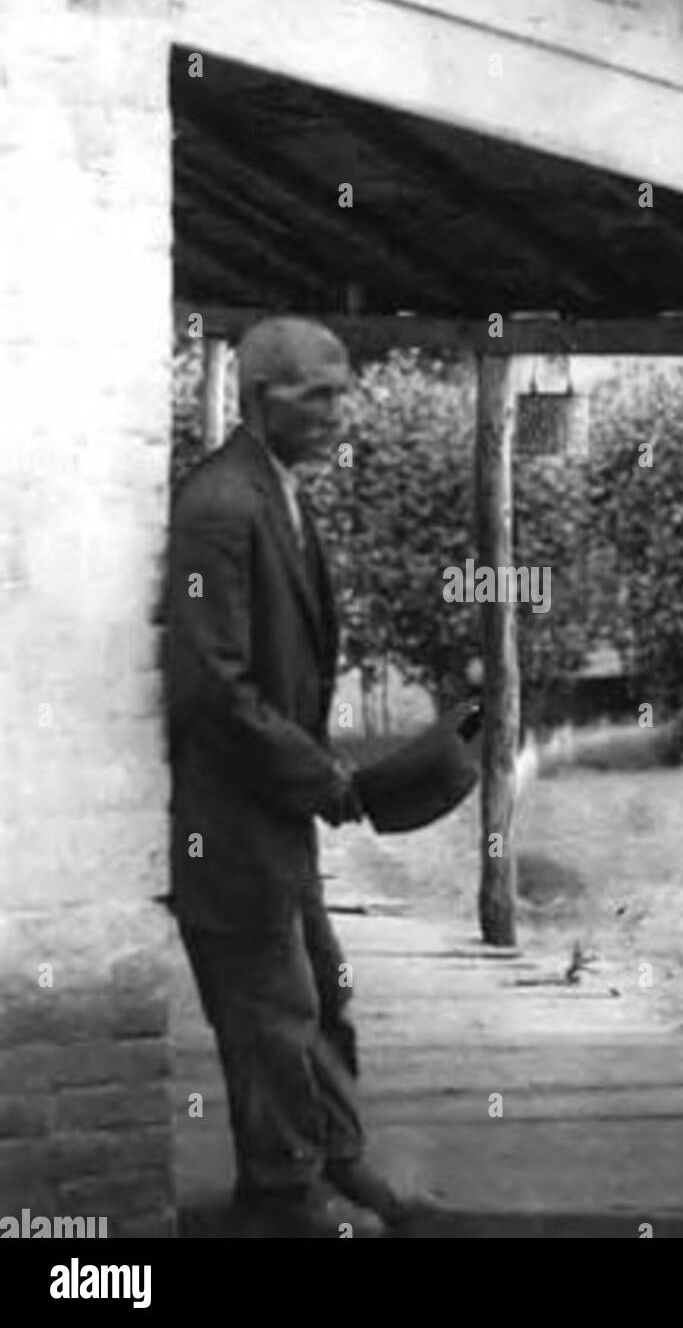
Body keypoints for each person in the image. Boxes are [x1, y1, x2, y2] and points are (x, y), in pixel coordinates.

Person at [165, 316, 425, 1235]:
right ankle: (281, 1194)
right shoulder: (219, 505)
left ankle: (340, 1160)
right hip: (229, 817)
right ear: (259, 396)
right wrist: (323, 778)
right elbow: (213, 685)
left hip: (275, 813)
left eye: (341, 391)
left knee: (322, 988)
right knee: (271, 1009)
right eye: (316, 394)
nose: (336, 412)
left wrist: (317, 781)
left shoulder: (278, 489)